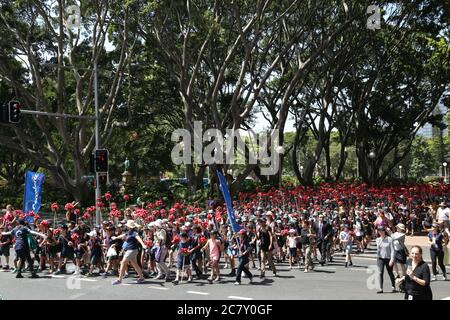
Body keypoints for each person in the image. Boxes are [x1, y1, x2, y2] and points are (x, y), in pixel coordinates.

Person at [111, 220, 147, 285]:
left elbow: (138, 238)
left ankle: (119, 280)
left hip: (132, 250)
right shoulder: (129, 232)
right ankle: (141, 278)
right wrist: (116, 237)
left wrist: (143, 244)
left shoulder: (134, 233)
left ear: (129, 227)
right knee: (135, 264)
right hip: (132, 250)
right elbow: (122, 235)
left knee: (123, 262)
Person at [375, 225, 397, 293]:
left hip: (388, 258)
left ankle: (393, 286)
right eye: (379, 231)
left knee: (390, 273)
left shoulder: (389, 239)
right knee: (380, 272)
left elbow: (393, 250)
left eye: (382, 231)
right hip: (380, 258)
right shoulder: (378, 239)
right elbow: (378, 250)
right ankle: (381, 288)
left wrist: (392, 260)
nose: (380, 232)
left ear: (384, 231)